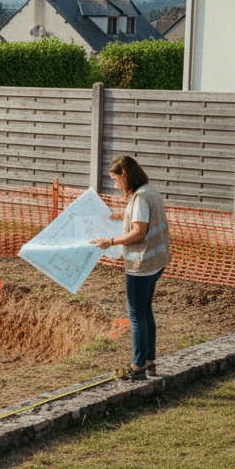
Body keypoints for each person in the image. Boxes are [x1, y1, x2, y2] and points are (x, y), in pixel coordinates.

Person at [92, 155, 171, 381]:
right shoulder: (150, 190)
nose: (114, 184)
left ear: (125, 175)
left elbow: (139, 232)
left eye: (115, 179)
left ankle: (137, 367)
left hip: (142, 265)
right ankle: (149, 362)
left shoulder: (139, 199)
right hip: (156, 263)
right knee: (146, 312)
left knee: (136, 316)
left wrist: (112, 241)